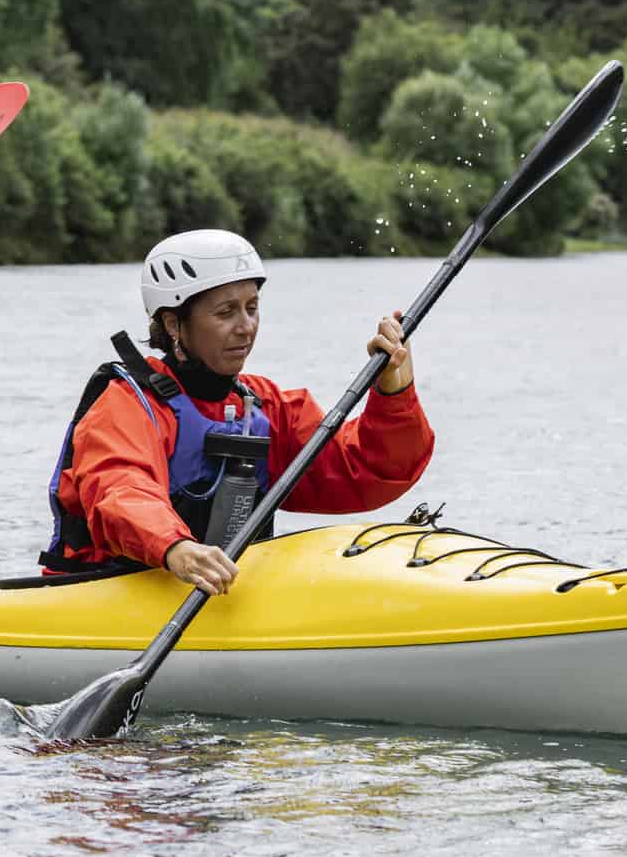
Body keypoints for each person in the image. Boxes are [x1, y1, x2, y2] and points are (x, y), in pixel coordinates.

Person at [41, 229, 434, 595]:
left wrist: (393, 388)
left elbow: (366, 470)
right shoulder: (127, 404)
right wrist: (174, 547)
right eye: (226, 312)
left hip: (218, 593)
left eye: (251, 308)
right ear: (173, 323)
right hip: (109, 592)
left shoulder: (266, 408)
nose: (246, 327)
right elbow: (119, 487)